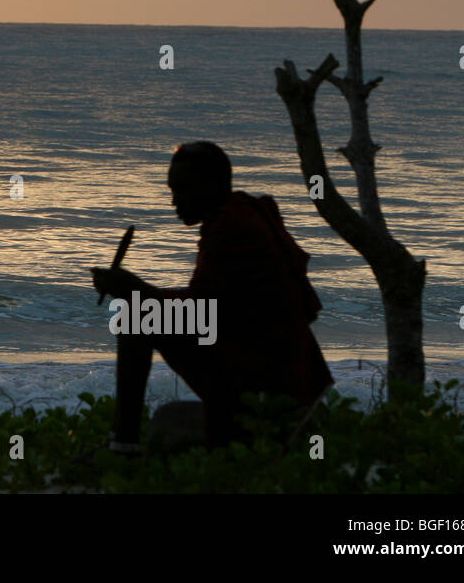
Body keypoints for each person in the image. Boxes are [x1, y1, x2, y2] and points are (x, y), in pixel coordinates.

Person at [91, 141, 333, 451]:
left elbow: (201, 309)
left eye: (182, 189)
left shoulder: (232, 228)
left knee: (135, 317)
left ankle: (123, 446)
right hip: (282, 371)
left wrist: (133, 289)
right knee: (140, 311)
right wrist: (136, 290)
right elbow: (211, 302)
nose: (174, 201)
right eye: (172, 190)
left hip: (269, 382)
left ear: (212, 185)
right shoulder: (241, 213)